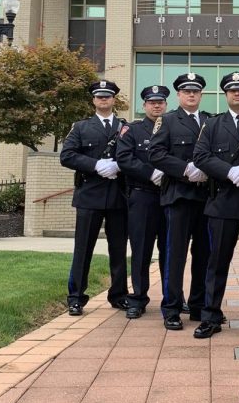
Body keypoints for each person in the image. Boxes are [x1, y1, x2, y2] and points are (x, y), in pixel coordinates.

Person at [191, 71, 239, 338]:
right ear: (226, 95)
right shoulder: (213, 124)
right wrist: (230, 172)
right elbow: (200, 155)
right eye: (232, 90)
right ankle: (211, 315)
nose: (237, 93)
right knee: (216, 262)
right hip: (222, 202)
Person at [59, 79, 129, 316]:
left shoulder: (124, 127)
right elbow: (67, 156)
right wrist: (95, 164)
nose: (103, 100)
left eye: (107, 96)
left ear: (113, 100)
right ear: (93, 100)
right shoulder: (80, 127)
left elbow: (134, 154)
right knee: (83, 249)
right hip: (89, 196)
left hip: (119, 197)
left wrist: (119, 165)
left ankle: (119, 295)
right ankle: (76, 297)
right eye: (99, 96)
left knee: (118, 249)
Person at [148, 72, 211, 330]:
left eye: (195, 90)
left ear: (201, 94)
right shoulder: (168, 120)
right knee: (176, 255)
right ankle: (172, 308)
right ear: (179, 95)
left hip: (207, 198)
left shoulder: (210, 120)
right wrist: (185, 168)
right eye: (186, 91)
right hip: (180, 196)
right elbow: (156, 153)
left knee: (204, 255)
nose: (191, 94)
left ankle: (198, 306)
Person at [115, 84, 171, 319]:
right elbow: (123, 159)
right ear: (144, 105)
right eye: (152, 102)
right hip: (143, 196)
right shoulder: (133, 130)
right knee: (141, 249)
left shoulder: (174, 127)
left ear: (166, 105)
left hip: (170, 196)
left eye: (160, 102)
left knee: (170, 250)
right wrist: (150, 173)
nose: (156, 105)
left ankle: (172, 298)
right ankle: (138, 298)